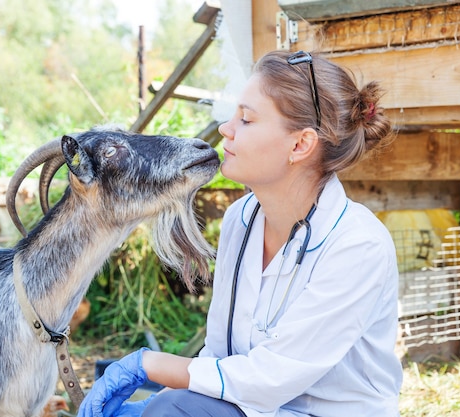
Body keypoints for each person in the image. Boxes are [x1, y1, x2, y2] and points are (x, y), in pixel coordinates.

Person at [77, 49, 403, 417]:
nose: (225, 129)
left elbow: (269, 378)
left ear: (300, 145)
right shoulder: (241, 219)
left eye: (246, 120)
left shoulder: (357, 245)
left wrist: (148, 365)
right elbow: (219, 355)